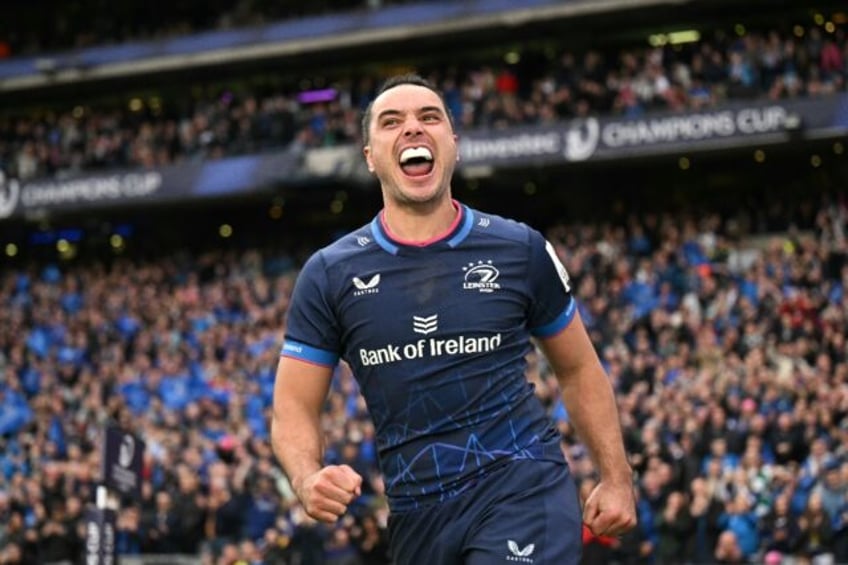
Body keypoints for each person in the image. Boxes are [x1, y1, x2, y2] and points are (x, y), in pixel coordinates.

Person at [271, 73, 637, 564]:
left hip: (522, 484)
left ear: (454, 145)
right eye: (391, 122)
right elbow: (293, 405)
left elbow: (578, 368)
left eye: (429, 117)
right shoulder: (330, 274)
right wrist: (306, 475)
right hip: (417, 513)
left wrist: (616, 477)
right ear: (369, 157)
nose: (413, 130)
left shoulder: (518, 248)